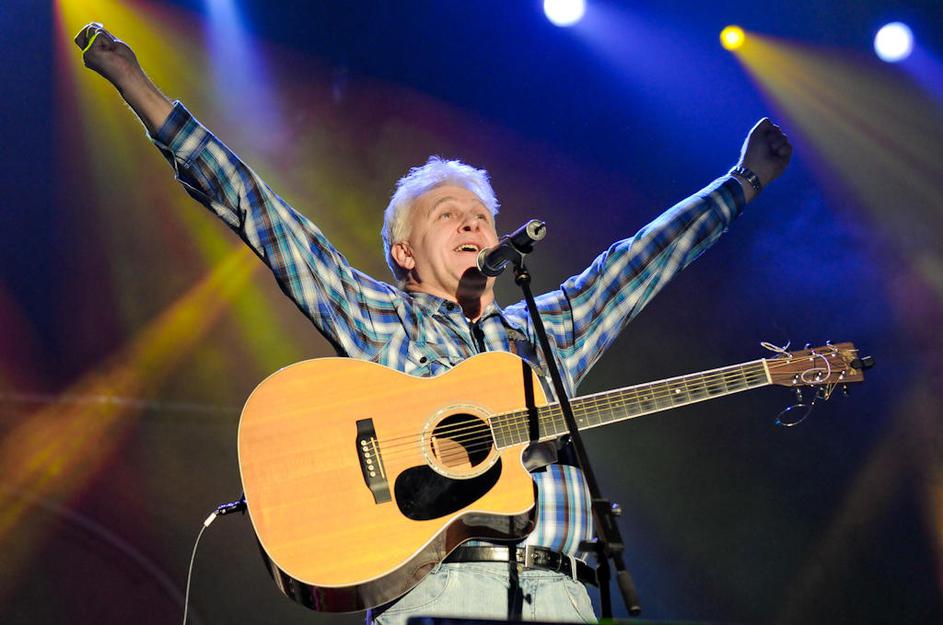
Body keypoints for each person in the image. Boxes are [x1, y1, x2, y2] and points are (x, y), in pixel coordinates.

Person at [74, 22, 792, 625]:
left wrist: (743, 182)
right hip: (436, 593)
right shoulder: (381, 317)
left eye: (481, 216)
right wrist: (139, 88)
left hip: (566, 597)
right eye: (449, 215)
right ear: (405, 252)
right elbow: (262, 214)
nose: (473, 224)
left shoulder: (548, 331)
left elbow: (641, 261)